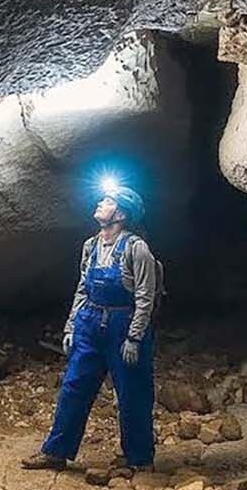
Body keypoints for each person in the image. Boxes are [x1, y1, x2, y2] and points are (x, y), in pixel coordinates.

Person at [22, 185, 159, 470]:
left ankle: (139, 458)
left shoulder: (137, 249)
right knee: (74, 387)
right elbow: (83, 289)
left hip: (123, 324)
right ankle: (56, 451)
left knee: (133, 392)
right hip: (90, 322)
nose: (100, 203)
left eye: (108, 201)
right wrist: (72, 325)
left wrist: (134, 337)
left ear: (121, 214)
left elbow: (145, 297)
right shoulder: (92, 245)